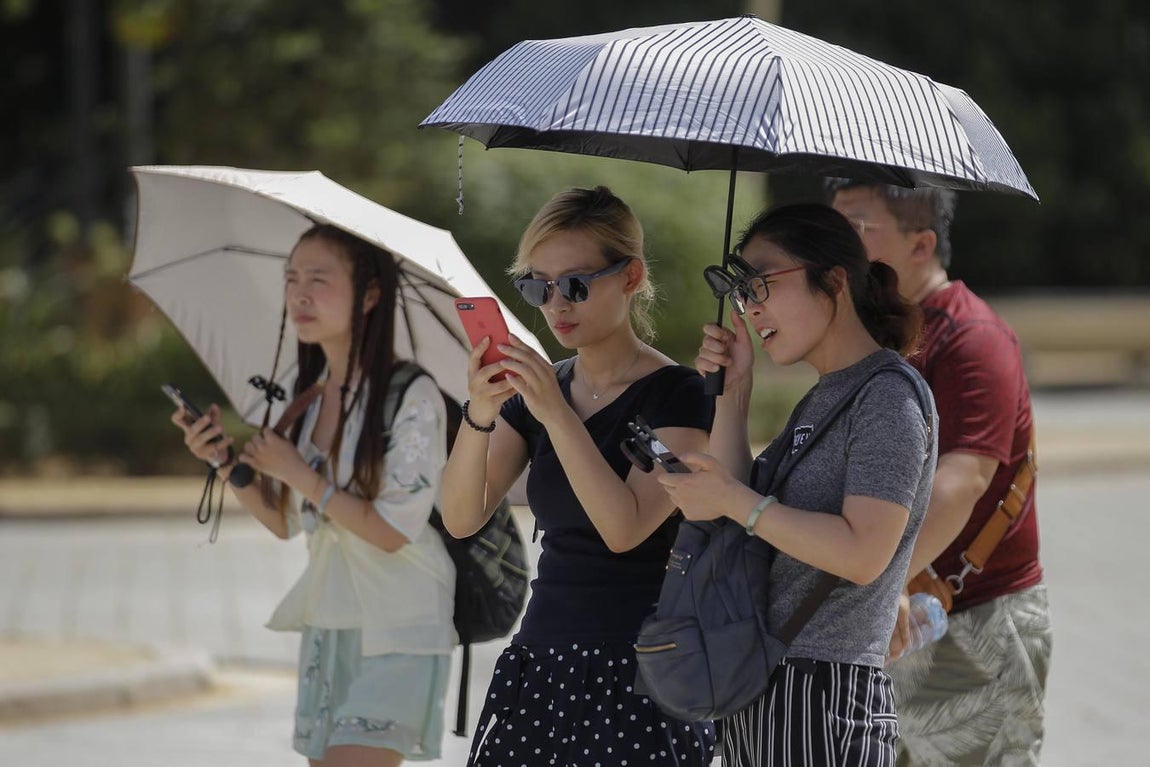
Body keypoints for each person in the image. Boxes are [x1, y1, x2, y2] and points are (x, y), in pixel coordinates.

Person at [439, 186, 717, 766]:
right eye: (536, 286)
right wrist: (480, 413)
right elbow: (461, 518)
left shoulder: (679, 394)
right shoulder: (543, 391)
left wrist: (556, 414)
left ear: (631, 277)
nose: (556, 304)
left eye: (576, 284)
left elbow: (625, 527)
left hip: (640, 666)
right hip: (544, 655)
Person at [657, 203, 938, 766]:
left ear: (832, 280)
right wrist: (734, 395)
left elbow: (864, 554)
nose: (749, 308)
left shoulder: (887, 397)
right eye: (740, 292)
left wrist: (735, 500)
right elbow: (741, 518)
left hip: (824, 697)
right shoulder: (826, 393)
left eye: (761, 284)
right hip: (770, 685)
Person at [171, 224, 453, 766]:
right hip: (331, 622)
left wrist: (301, 474)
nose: (299, 294)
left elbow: (393, 532)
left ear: (370, 295)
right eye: (291, 278)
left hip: (401, 627)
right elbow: (285, 522)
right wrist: (221, 459)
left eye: (318, 280)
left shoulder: (410, 395)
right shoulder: (308, 399)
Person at [829, 180, 1053, 766]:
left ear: (921, 245)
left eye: (855, 227)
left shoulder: (972, 338)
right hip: (900, 606)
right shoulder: (881, 338)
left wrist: (871, 582)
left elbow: (962, 484)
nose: (835, 245)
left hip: (973, 616)